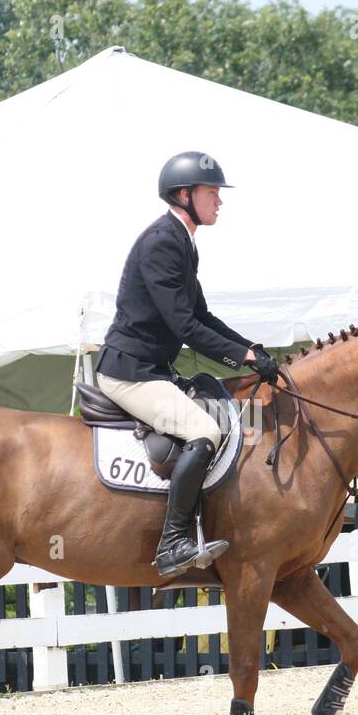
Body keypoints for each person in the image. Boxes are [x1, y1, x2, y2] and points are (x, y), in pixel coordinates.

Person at [95, 151, 280, 578]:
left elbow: (203, 317)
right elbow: (184, 326)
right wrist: (243, 357)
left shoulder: (182, 240)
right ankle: (173, 541)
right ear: (184, 195)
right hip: (129, 372)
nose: (220, 201)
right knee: (204, 430)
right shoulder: (163, 241)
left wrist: (252, 348)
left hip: (152, 369)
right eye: (211, 193)